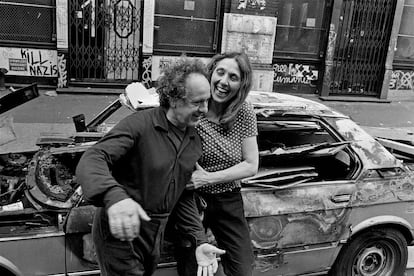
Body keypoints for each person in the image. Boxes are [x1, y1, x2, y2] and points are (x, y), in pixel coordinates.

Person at [76, 58, 225, 276]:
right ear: (174, 99)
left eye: (207, 101)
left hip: (155, 233)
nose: (204, 109)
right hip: (121, 230)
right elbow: (93, 158)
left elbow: (182, 194)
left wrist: (199, 240)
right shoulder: (140, 125)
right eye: (197, 102)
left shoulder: (193, 139)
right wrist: (114, 197)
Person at [174, 52, 259, 276]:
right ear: (210, 73)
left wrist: (208, 178)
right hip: (192, 201)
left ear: (241, 84)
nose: (223, 82)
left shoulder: (244, 112)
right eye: (220, 72)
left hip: (228, 198)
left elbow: (251, 165)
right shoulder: (193, 107)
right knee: (194, 269)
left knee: (243, 269)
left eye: (233, 77)